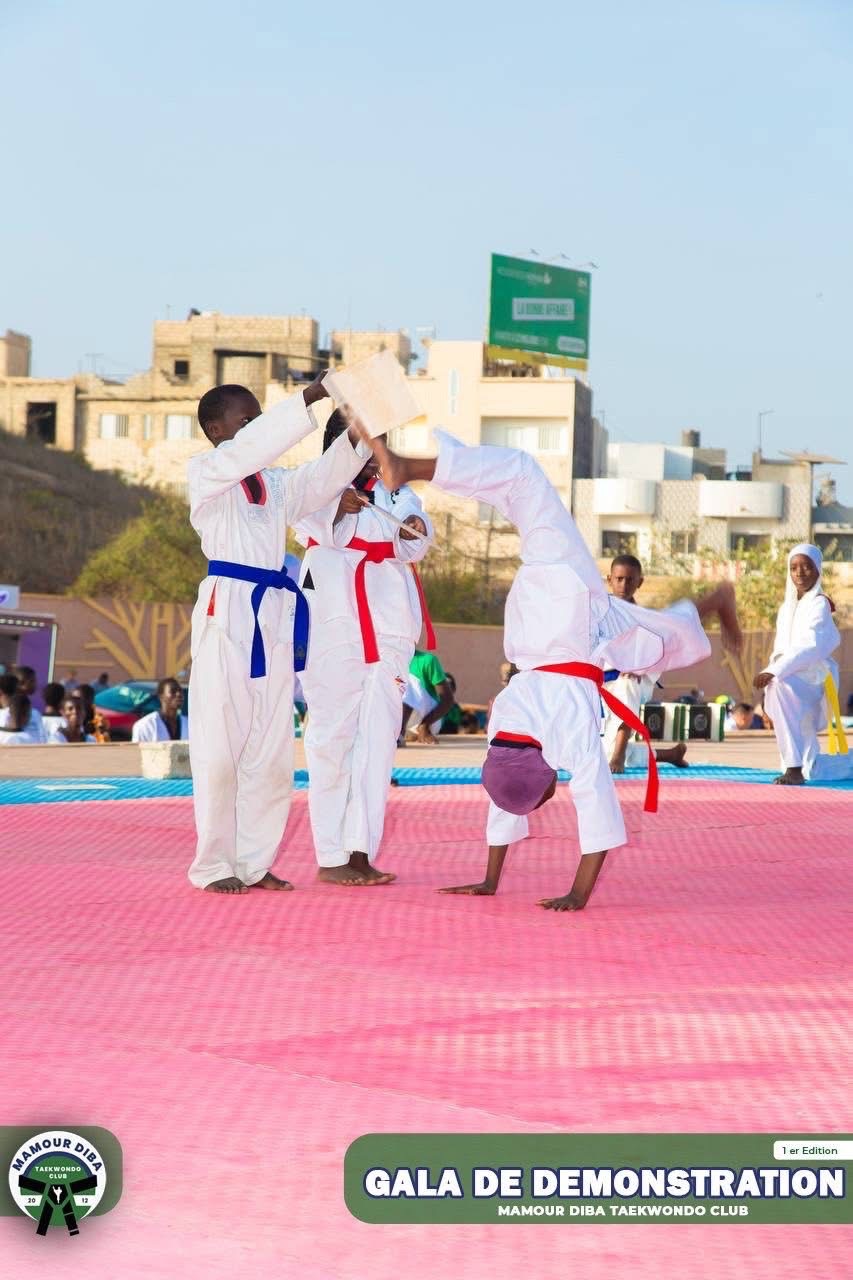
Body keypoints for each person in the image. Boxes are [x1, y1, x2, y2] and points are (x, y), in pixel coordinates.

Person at [368, 429, 741, 912]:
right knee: (659, 640)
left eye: (546, 795)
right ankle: (715, 601)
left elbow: (594, 817)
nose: (550, 798)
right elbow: (512, 803)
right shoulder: (503, 730)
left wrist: (574, 895)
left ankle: (414, 467)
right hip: (557, 618)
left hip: (566, 602)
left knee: (524, 477)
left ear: (546, 775)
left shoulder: (558, 735)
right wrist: (491, 882)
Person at [186, 378, 374, 895]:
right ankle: (213, 865)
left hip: (272, 614)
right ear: (215, 430)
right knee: (220, 748)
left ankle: (253, 861)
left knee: (270, 751)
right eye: (246, 420)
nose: (256, 427)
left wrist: (360, 430)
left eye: (258, 416)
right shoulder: (206, 473)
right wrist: (311, 397)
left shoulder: (275, 486)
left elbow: (322, 478)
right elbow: (252, 447)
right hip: (229, 612)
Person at [294, 410, 435, 886]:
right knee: (332, 738)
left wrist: (414, 525)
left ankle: (359, 851)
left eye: (378, 445)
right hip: (334, 624)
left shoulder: (396, 491)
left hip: (388, 626)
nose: (373, 457)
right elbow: (306, 521)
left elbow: (415, 540)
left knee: (376, 743)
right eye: (362, 444)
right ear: (339, 445)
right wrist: (339, 510)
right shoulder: (313, 485)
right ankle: (330, 854)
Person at [754, 543, 840, 785]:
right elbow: (780, 650)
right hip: (790, 678)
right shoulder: (786, 608)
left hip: (814, 680)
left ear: (817, 570)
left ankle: (793, 769)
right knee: (815, 767)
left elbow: (810, 646)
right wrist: (769, 678)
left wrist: (773, 672)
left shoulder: (820, 604)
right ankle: (802, 767)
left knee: (779, 687)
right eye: (794, 568)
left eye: (806, 567)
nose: (800, 573)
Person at [602, 556, 689, 773]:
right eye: (619, 579)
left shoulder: (646, 618)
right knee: (600, 751)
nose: (624, 585)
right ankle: (670, 754)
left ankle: (619, 756)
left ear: (640, 582)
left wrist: (640, 670)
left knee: (626, 684)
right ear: (609, 579)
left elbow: (659, 651)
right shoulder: (599, 613)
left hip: (635, 681)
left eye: (630, 580)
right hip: (600, 683)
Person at [400, 648, 455, 745]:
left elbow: (448, 700)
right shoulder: (386, 660)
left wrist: (425, 725)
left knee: (406, 681)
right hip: (393, 721)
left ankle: (398, 734)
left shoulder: (427, 660)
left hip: (424, 721)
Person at [132, 677, 188, 742]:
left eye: (180, 691)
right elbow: (137, 751)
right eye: (173, 691)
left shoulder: (189, 724)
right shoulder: (145, 726)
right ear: (161, 696)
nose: (179, 694)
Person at [12, 666, 45, 742]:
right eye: (32, 681)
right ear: (21, 684)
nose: (36, 684)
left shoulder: (34, 712)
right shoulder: (34, 714)